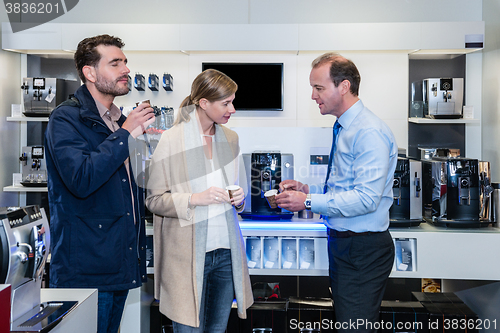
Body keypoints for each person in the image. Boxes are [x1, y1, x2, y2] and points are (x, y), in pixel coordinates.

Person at [275, 53, 397, 332]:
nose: (312, 96)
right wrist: (308, 189)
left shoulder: (368, 132)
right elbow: (344, 188)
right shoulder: (344, 126)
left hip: (362, 248)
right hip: (346, 245)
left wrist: (307, 201)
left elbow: (366, 199)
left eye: (318, 88)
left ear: (344, 86)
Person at [45, 34, 154, 333]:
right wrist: (126, 134)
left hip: (117, 263)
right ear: (89, 73)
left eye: (125, 62)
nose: (126, 70)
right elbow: (81, 179)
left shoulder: (117, 122)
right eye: (115, 63)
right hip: (87, 270)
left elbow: (130, 187)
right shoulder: (65, 119)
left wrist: (145, 143)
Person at [146, 69, 253, 333]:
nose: (233, 109)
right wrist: (194, 199)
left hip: (227, 254)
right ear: (204, 103)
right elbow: (154, 200)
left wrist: (239, 198)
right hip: (186, 257)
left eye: (232, 101)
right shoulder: (172, 139)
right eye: (226, 103)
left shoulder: (230, 138)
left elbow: (238, 196)